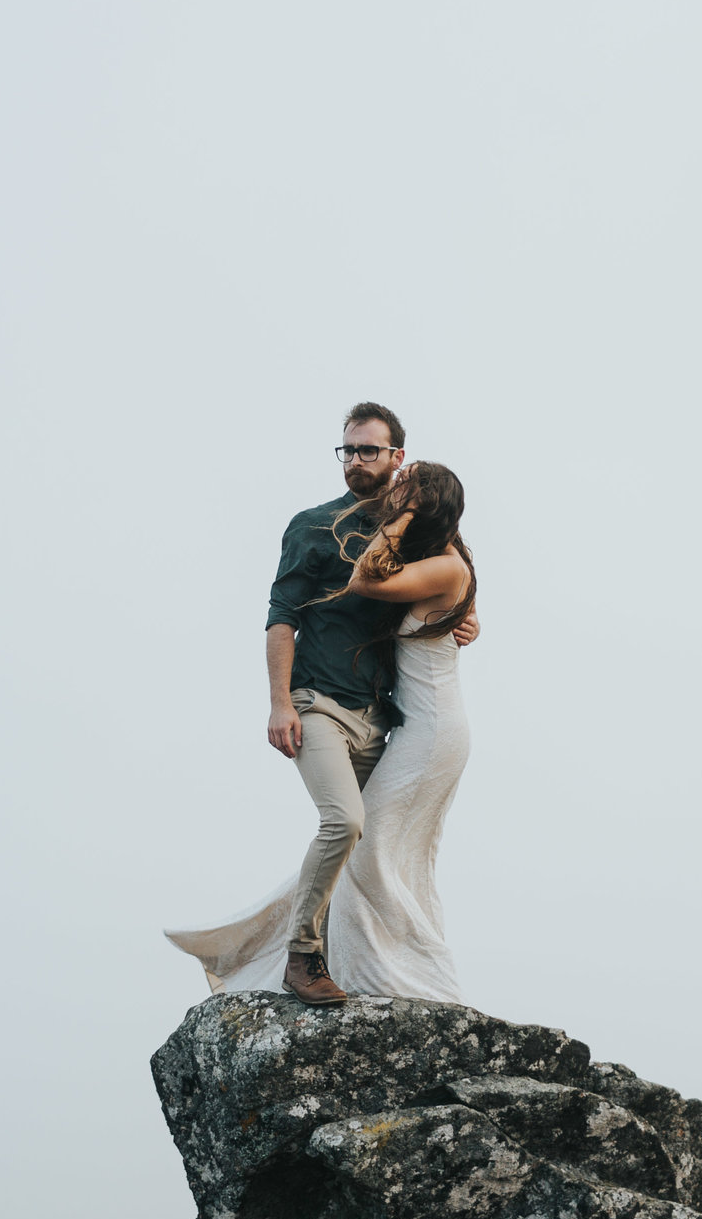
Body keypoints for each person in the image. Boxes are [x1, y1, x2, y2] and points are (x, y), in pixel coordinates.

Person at [165, 402, 480, 1006]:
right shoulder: (312, 526)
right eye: (349, 450)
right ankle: (302, 958)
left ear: (397, 459)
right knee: (346, 823)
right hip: (317, 701)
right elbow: (280, 618)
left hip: (378, 715)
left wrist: (468, 623)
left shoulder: (418, 535)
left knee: (361, 851)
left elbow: (447, 592)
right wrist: (280, 703)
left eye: (369, 450)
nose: (356, 461)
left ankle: (350, 962)